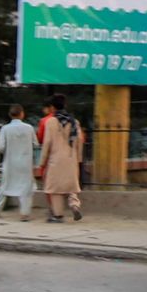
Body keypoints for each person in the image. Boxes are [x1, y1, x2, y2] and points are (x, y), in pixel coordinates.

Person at [37, 94, 86, 222]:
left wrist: (42, 162)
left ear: (52, 107)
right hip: (71, 159)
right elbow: (80, 141)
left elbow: (47, 143)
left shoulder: (51, 122)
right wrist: (79, 160)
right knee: (71, 185)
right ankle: (74, 205)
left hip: (55, 160)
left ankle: (58, 215)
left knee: (55, 188)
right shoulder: (75, 122)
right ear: (65, 105)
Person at [0, 105, 37, 221]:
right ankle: (24, 213)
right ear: (22, 114)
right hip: (25, 163)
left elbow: (1, 147)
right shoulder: (29, 128)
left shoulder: (5, 129)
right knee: (25, 188)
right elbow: (36, 144)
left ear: (10, 115)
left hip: (10, 162)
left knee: (4, 186)